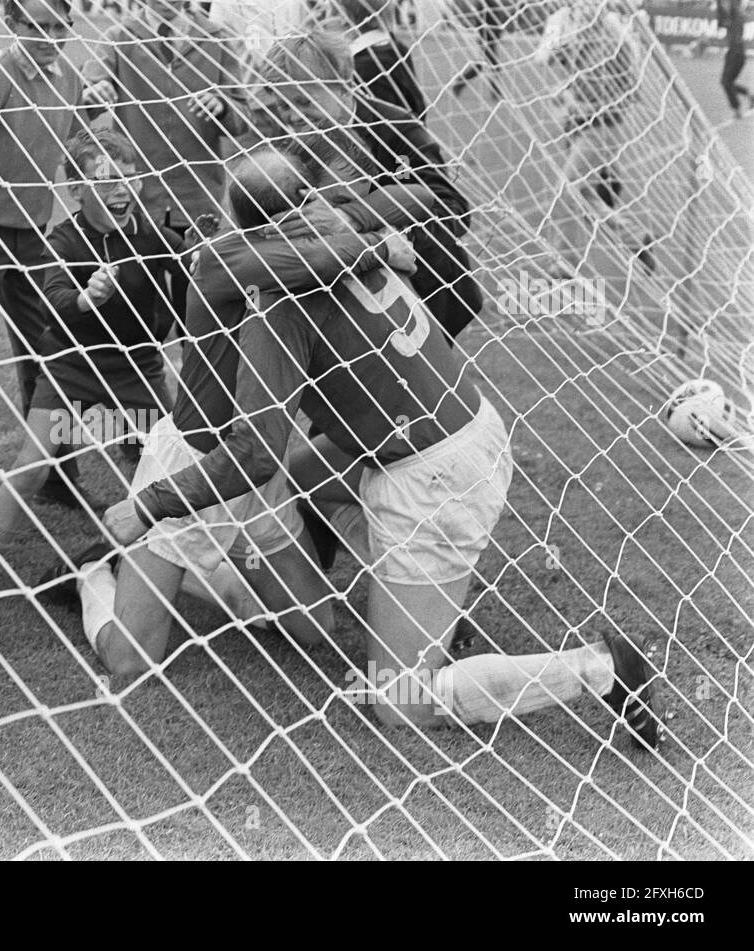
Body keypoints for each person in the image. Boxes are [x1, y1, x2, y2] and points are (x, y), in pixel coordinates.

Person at [105, 147, 660, 750]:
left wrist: (146, 505)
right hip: (472, 426)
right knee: (306, 472)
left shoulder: (274, 302)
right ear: (307, 199)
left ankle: (597, 670)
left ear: (242, 227)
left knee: (401, 702)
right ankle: (422, 603)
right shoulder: (344, 226)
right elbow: (423, 203)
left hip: (434, 480)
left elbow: (253, 451)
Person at [45, 146, 445, 681]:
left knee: (313, 627)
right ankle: (91, 574)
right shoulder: (228, 259)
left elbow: (420, 197)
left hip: (258, 464)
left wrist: (359, 218)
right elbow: (323, 258)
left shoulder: (308, 235)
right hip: (194, 463)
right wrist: (377, 244)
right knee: (131, 663)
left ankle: (193, 573)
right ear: (285, 215)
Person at [0, 130, 181, 587]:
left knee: (164, 467)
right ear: (76, 190)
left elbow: (185, 270)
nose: (121, 190)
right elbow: (52, 298)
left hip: (137, 369)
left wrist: (198, 251)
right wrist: (87, 298)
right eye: (106, 182)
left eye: (128, 178)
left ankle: (154, 564)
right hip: (73, 367)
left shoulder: (150, 233)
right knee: (32, 465)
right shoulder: (64, 239)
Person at [0, 0, 91, 508]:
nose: (50, 36)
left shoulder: (68, 77)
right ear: (13, 24)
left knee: (48, 355)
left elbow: (72, 148)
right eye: (38, 26)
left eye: (59, 26)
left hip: (34, 235)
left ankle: (56, 478)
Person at [245, 30, 482, 341]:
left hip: (427, 300)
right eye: (283, 104)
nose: (292, 115)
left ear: (344, 86)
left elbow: (452, 211)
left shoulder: (394, 128)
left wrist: (357, 223)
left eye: (303, 100)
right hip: (349, 305)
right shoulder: (288, 139)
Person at [81, 0, 248, 324]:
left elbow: (243, 119)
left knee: (197, 308)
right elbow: (84, 95)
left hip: (197, 198)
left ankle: (194, 367)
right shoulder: (119, 37)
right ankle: (147, 368)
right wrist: (95, 91)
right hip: (139, 200)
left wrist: (223, 107)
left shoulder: (215, 37)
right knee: (144, 315)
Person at [536, 0, 656, 271]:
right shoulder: (564, 22)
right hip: (574, 121)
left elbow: (631, 81)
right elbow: (543, 56)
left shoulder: (613, 31)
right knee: (584, 194)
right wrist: (561, 44)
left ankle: (565, 265)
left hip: (603, 125)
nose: (582, 8)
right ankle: (635, 238)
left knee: (566, 191)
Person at [336, 0, 426, 118]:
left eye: (328, 11)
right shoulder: (396, 47)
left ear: (343, 17)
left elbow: (382, 127)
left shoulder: (364, 68)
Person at [719, 0, 749, 120]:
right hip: (735, 53)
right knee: (727, 82)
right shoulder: (733, 15)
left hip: (736, 53)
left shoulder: (736, 14)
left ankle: (737, 110)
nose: (723, 4)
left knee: (726, 82)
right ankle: (749, 95)